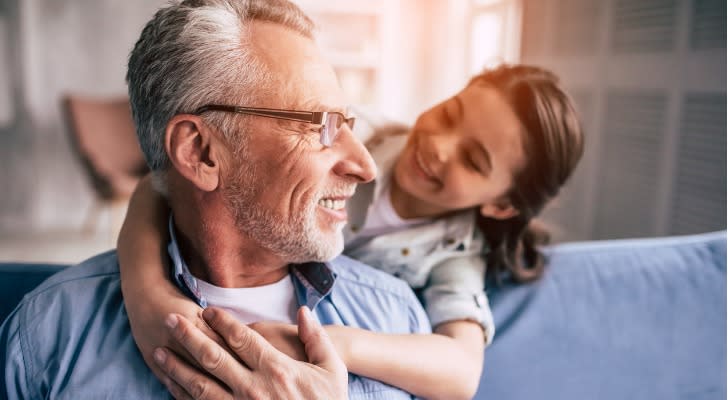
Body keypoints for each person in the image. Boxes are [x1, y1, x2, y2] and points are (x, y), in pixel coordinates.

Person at [0, 0, 434, 399]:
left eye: (348, 123)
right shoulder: (50, 334)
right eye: (321, 125)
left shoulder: (396, 319)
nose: (364, 165)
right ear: (201, 152)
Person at [117, 64, 585, 399]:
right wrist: (148, 298)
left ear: (501, 204)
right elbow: (158, 185)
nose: (440, 147)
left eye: (473, 160)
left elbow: (461, 372)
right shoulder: (358, 131)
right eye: (449, 114)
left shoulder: (455, 255)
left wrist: (331, 343)